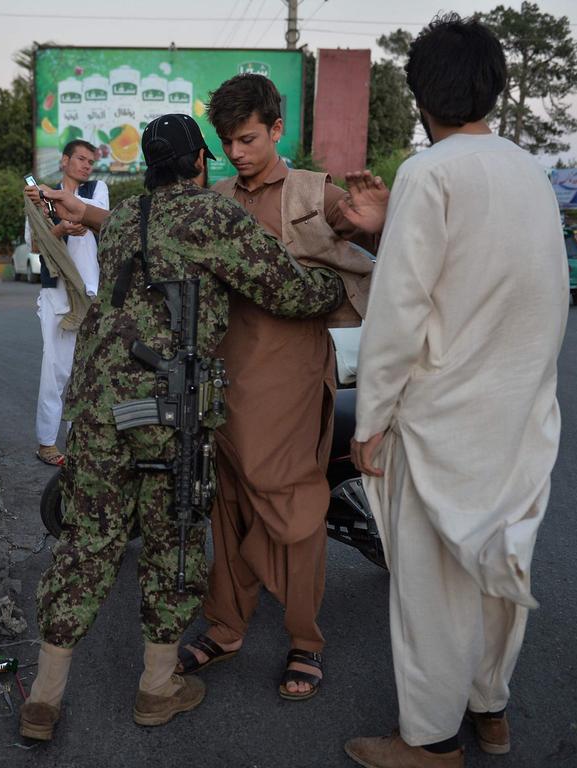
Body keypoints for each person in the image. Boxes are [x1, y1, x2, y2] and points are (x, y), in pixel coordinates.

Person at [19, 114, 345, 742]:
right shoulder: (211, 216)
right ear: (200, 163)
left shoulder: (126, 220)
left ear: (149, 164)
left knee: (88, 539)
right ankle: (157, 687)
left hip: (95, 406)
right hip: (167, 408)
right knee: (173, 537)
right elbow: (286, 291)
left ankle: (43, 698)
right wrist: (337, 282)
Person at [344, 15, 567, 768]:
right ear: (494, 89)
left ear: (419, 98)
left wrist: (370, 419)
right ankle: (490, 712)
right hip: (520, 415)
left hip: (442, 419)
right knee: (501, 570)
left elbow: (401, 311)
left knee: (431, 587)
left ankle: (431, 742)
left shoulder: (429, 173)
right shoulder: (528, 173)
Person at [176, 73, 383, 700]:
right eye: (227, 142)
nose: (237, 153)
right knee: (230, 501)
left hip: (290, 375)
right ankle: (226, 625)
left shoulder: (313, 194)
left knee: (291, 503)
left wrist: (377, 223)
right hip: (220, 377)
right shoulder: (213, 198)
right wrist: (90, 216)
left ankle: (305, 639)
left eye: (247, 139)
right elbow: (157, 227)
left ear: (275, 129)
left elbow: (376, 238)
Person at [27, 139, 109, 466]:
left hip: (89, 292)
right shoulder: (38, 199)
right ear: (65, 160)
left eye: (91, 161)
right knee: (55, 368)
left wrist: (53, 199)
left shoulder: (96, 191)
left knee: (86, 372)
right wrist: (59, 228)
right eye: (80, 159)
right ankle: (47, 442)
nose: (86, 165)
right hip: (56, 291)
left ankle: (78, 440)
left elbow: (95, 217)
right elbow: (36, 243)